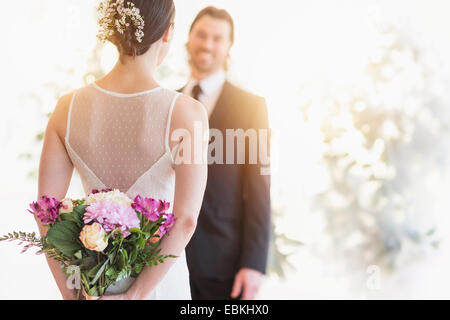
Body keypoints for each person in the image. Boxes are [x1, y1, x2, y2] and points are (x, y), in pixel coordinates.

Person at [35, 0, 208, 300]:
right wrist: (135, 295)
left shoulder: (67, 109)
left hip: (92, 285)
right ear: (168, 33)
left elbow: (45, 213)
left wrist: (71, 292)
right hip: (159, 287)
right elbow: (187, 220)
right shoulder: (186, 113)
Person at [182, 6, 271, 300]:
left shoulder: (251, 107)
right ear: (188, 38)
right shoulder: (169, 101)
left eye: (218, 38)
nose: (208, 44)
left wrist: (254, 264)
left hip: (224, 263)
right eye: (202, 35)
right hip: (167, 259)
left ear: (229, 46)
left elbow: (259, 188)